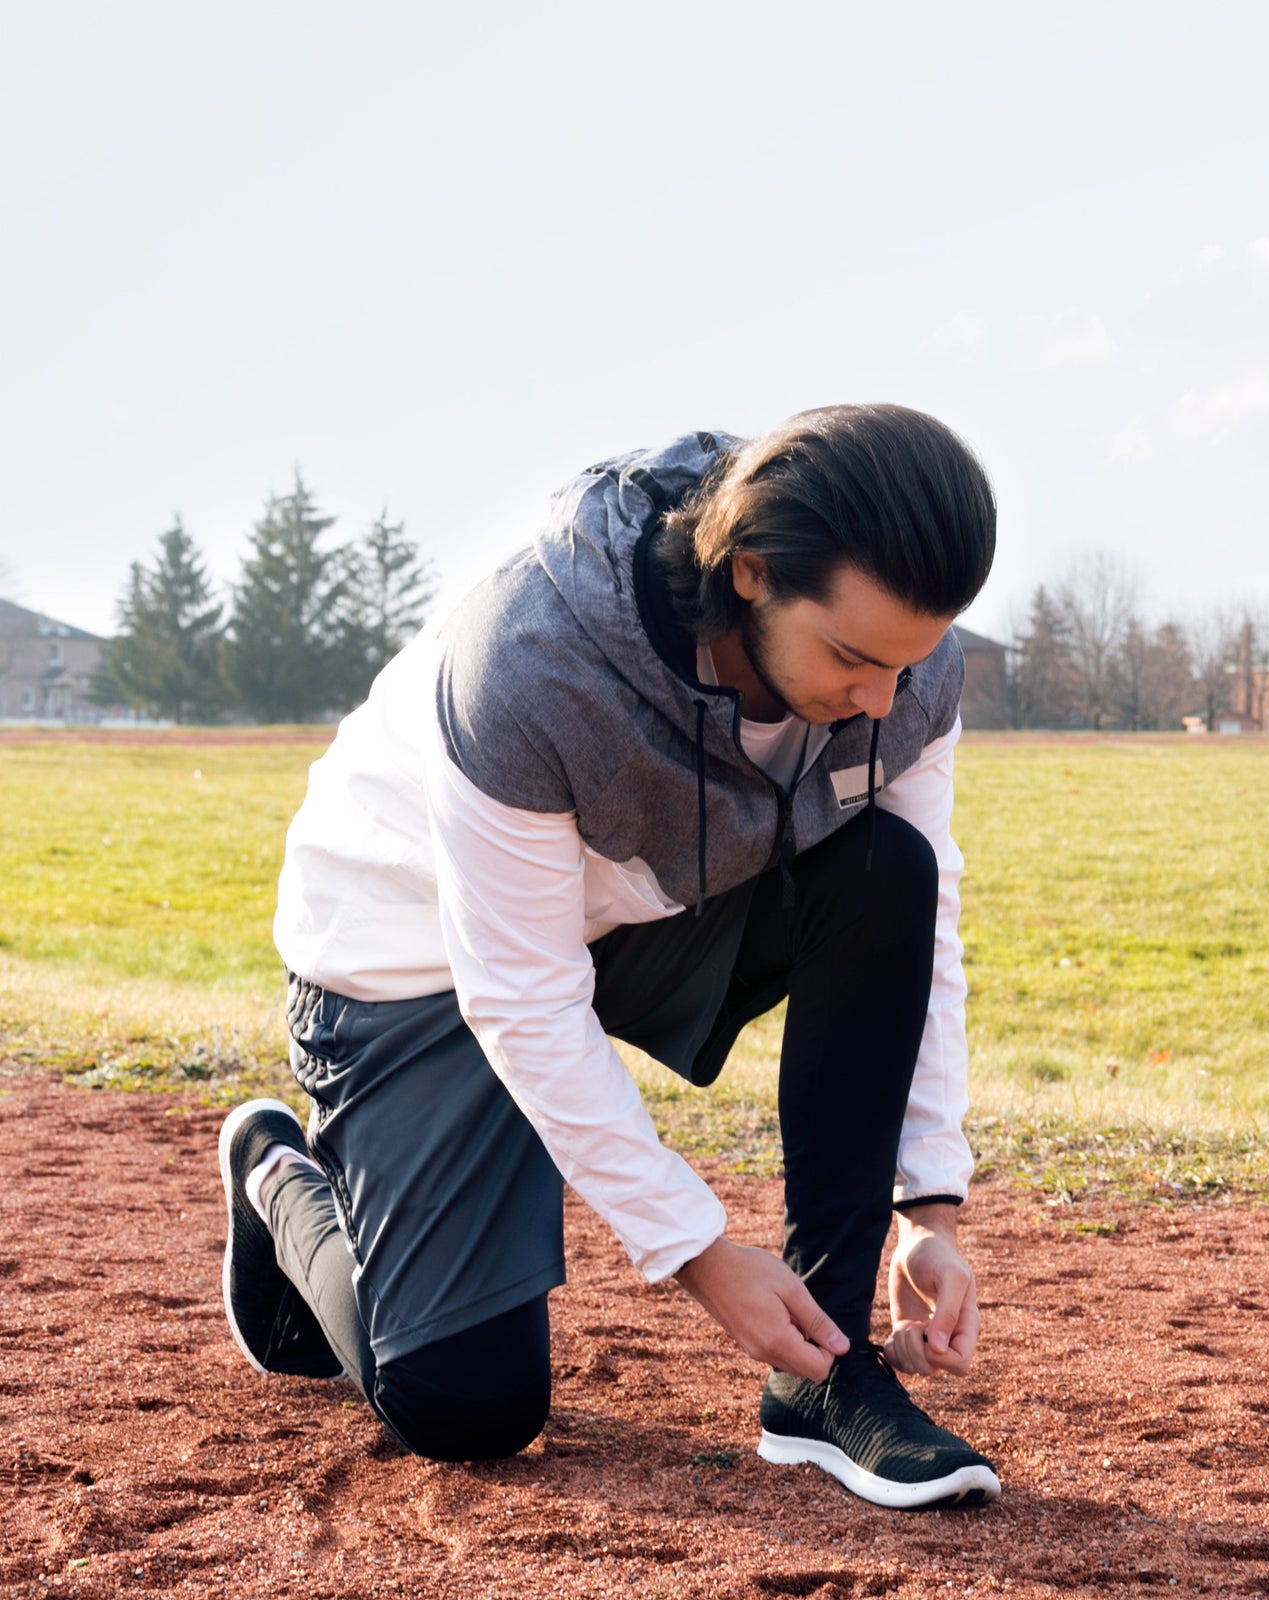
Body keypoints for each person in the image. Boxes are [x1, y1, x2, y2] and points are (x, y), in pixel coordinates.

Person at [213, 406, 1002, 1508]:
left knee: (887, 871)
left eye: (909, 662)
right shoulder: (530, 667)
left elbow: (927, 914)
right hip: (404, 960)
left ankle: (828, 1376)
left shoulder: (905, 674)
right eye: (855, 658)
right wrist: (699, 1251)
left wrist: (931, 1207)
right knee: (465, 1406)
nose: (883, 699)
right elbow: (523, 997)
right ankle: (277, 1176)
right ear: (749, 574)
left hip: (634, 915)